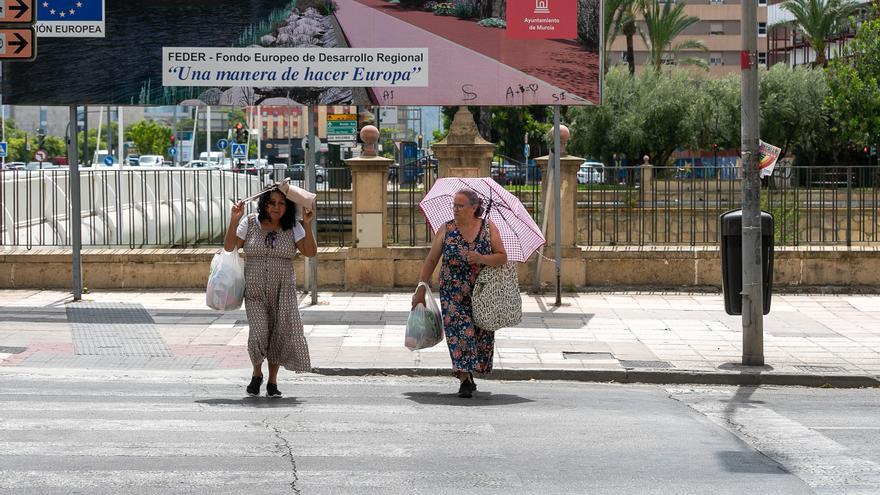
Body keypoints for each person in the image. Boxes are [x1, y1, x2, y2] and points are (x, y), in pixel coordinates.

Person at [224, 183, 317, 398]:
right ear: (264, 204)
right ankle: (257, 373)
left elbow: (310, 252)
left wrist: (308, 224)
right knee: (259, 332)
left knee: (279, 333)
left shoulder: (293, 227)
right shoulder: (249, 223)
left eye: (282, 203)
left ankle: (272, 382)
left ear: (288, 207)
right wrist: (234, 219)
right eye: (272, 203)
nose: (276, 207)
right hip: (255, 290)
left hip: (283, 290)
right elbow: (230, 247)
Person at [412, 190, 507, 398]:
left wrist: (481, 258)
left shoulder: (488, 228)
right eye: (454, 205)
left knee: (480, 336)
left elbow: (501, 257)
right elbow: (431, 260)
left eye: (460, 206)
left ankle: (470, 375)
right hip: (452, 293)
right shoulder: (446, 229)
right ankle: (464, 379)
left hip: (482, 293)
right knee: (460, 333)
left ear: (474, 208)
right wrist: (421, 287)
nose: (455, 209)